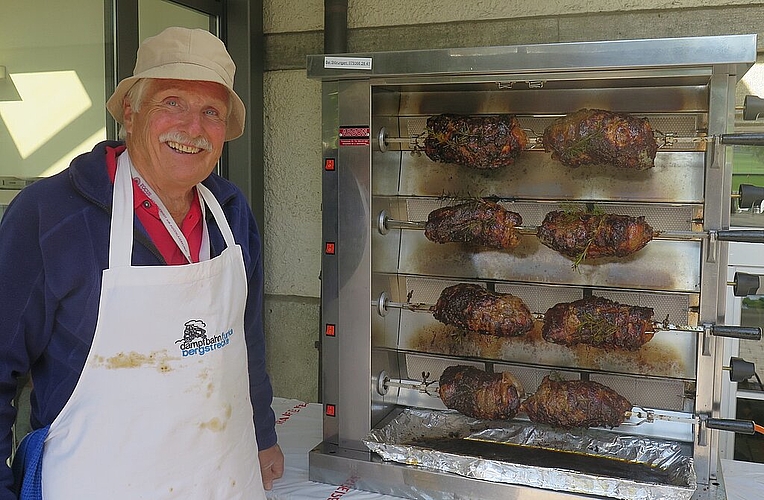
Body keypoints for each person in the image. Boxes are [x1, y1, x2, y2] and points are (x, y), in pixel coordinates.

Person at [0, 27, 284, 499]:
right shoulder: (48, 215)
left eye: (211, 112)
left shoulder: (231, 211)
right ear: (130, 112)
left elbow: (245, 339)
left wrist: (263, 435)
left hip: (222, 481)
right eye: (172, 102)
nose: (192, 128)